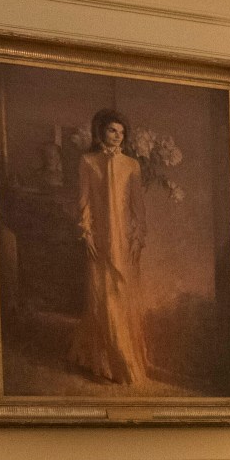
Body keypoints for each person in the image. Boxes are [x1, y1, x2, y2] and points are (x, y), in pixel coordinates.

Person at [70, 109, 147, 384]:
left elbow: (137, 206)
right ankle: (105, 362)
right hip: (99, 238)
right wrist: (87, 235)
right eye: (113, 130)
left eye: (122, 132)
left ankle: (126, 360)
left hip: (124, 239)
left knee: (122, 296)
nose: (117, 136)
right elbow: (85, 202)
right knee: (100, 297)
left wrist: (138, 237)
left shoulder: (132, 165)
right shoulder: (88, 162)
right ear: (101, 131)